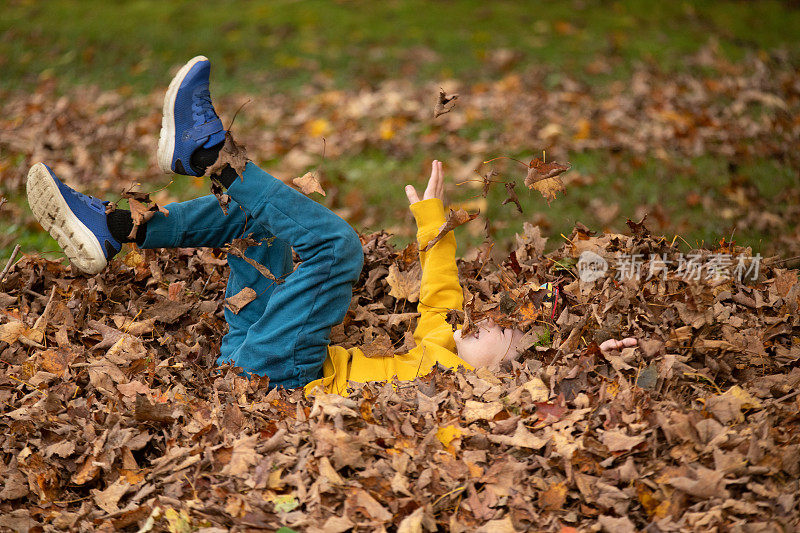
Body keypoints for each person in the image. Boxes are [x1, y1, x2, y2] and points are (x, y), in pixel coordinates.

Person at [26, 56, 635, 395]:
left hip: (282, 378)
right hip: (254, 354)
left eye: (506, 341)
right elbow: (442, 306)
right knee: (260, 220)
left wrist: (587, 364)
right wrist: (433, 221)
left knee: (338, 248)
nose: (494, 327)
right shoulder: (440, 350)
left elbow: (553, 382)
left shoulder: (467, 395)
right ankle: (115, 226)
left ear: (503, 371)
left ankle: (211, 154)